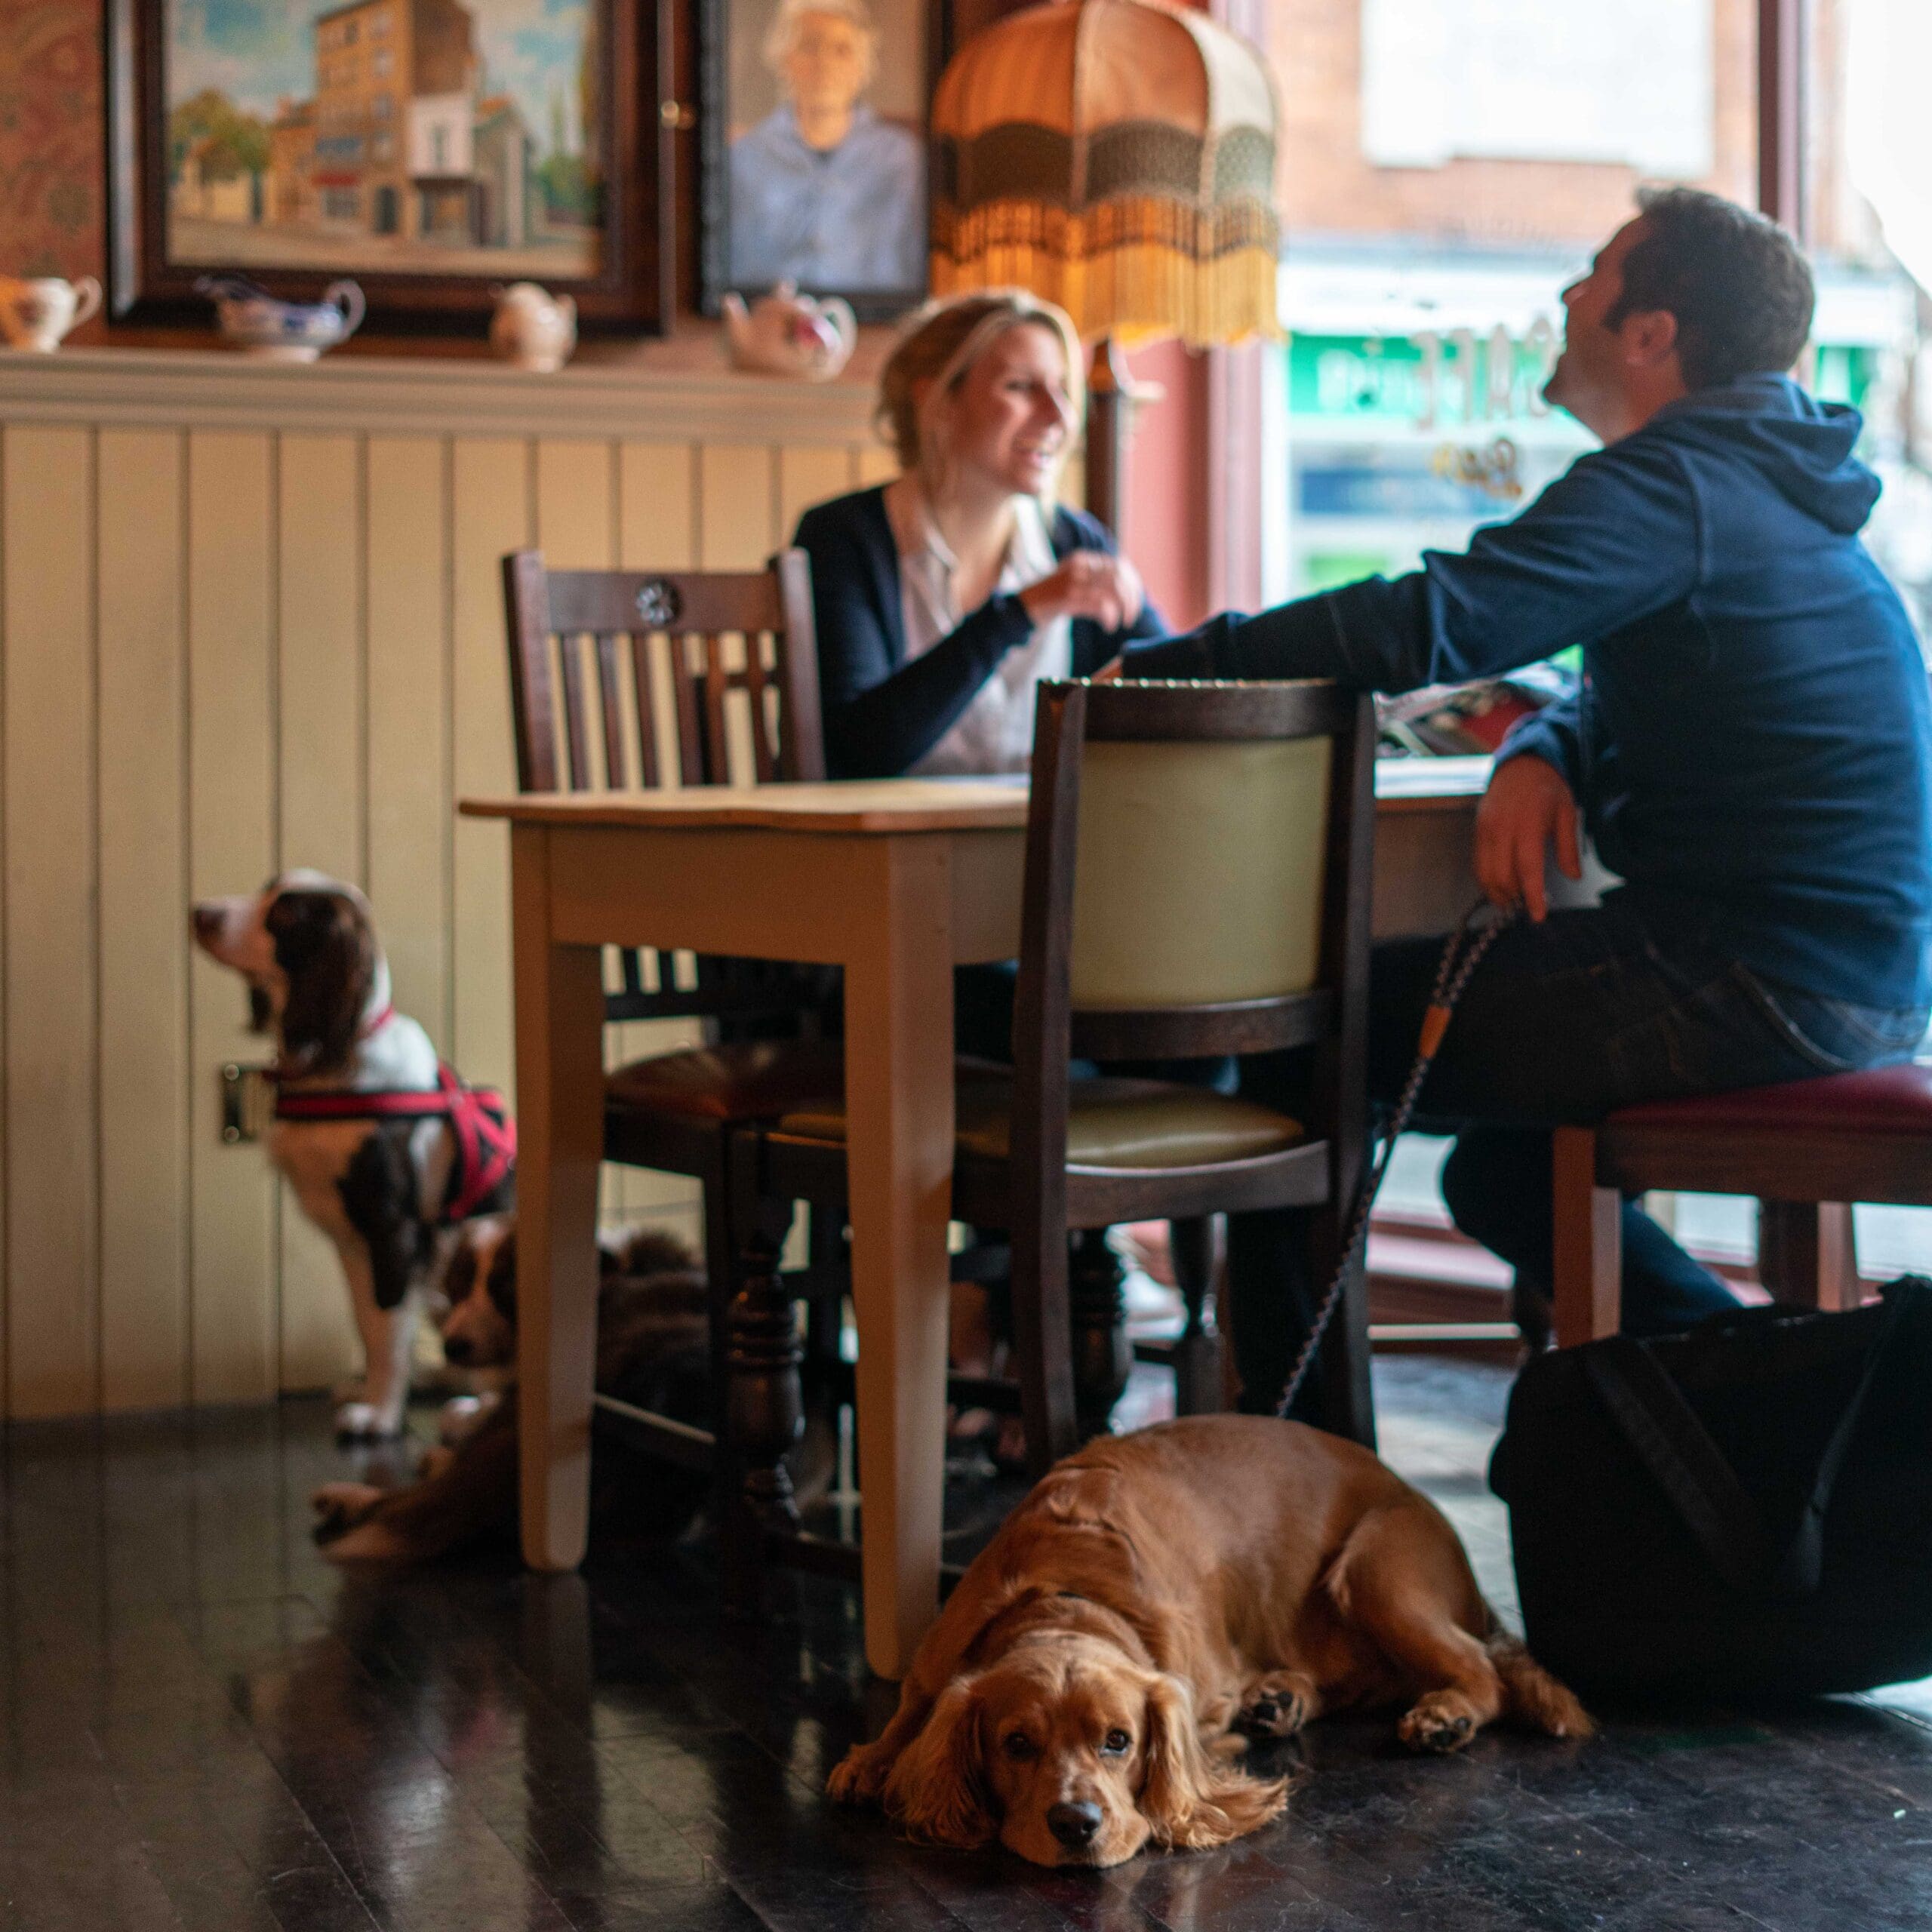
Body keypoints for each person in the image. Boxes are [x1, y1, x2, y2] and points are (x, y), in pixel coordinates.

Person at [1129, 187, 1932, 1409]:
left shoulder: (1679, 485)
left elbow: (1433, 621)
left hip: (1756, 975)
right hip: (1857, 981)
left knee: (1298, 1042)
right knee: (1497, 1179)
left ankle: (1301, 1487)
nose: (1565, 298)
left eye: (1592, 276)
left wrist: (1164, 665)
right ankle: (1775, 1399)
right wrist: (1543, 747)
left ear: (1648, 332)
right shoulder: (1759, 482)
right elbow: (1632, 670)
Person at [794, 288, 1167, 785]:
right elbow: (861, 752)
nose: (1060, 416)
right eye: (1021, 387)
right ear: (938, 399)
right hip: (879, 854)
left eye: (1061, 388)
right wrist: (1021, 612)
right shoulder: (844, 538)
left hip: (1039, 846)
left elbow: (1175, 690)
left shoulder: (1075, 542)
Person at [729, 0, 924, 294]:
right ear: (784, 60)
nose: (824, 64)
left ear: (862, 68)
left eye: (842, 51)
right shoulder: (743, 159)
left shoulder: (903, 160)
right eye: (809, 46)